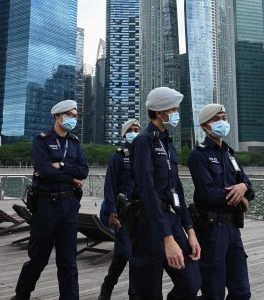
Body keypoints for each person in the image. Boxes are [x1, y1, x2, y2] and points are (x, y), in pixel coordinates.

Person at [12, 100, 89, 300]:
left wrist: (61, 165)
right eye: (69, 115)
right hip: (46, 207)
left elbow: (84, 171)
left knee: (68, 261)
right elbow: (44, 170)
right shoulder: (42, 140)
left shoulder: (75, 142)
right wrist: (71, 177)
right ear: (58, 116)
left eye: (75, 115)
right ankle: (21, 295)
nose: (73, 119)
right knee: (38, 258)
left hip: (69, 206)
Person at [129, 86, 201, 299]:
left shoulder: (166, 142)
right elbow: (147, 190)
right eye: (174, 109)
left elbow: (176, 188)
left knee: (191, 282)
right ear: (160, 113)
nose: (177, 112)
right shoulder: (143, 141)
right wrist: (166, 238)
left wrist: (190, 229)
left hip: (172, 218)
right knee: (148, 290)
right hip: (151, 224)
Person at [187, 104, 254, 300]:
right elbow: (208, 194)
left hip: (233, 228)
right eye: (217, 119)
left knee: (242, 290)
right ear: (205, 126)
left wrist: (243, 188)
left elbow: (249, 186)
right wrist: (241, 196)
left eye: (224, 117)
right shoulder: (198, 155)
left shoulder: (230, 155)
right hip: (211, 230)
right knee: (213, 292)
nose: (222, 122)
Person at [98, 118, 141, 300]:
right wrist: (112, 212)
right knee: (122, 254)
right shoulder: (118, 156)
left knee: (137, 258)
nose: (134, 132)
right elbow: (109, 186)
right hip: (123, 214)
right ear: (124, 134)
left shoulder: (144, 154)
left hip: (141, 214)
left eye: (136, 129)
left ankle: (135, 294)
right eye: (130, 129)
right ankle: (107, 286)